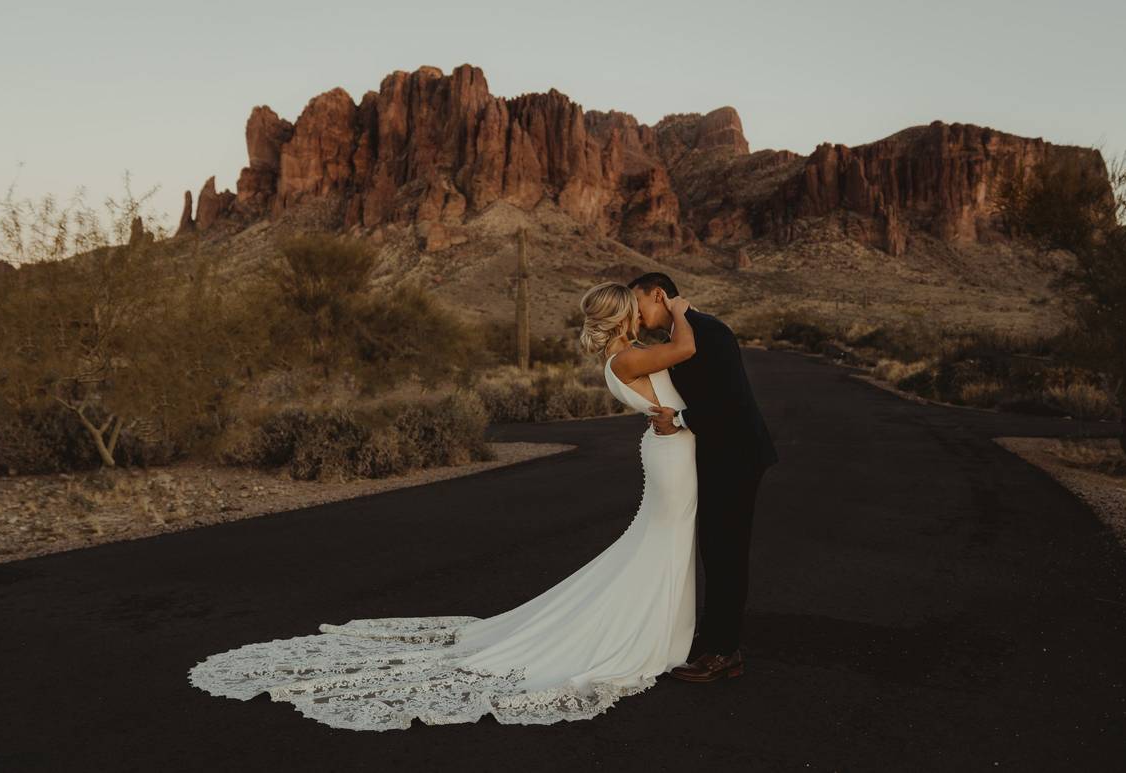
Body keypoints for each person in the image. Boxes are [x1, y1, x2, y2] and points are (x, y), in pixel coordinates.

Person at [187, 281, 702, 730]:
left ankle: (656, 631)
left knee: (658, 540)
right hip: (671, 454)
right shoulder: (627, 358)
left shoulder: (622, 357)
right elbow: (687, 346)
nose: (642, 310)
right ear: (624, 316)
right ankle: (647, 637)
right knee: (662, 541)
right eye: (635, 306)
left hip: (668, 446)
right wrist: (679, 309)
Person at [627, 271, 777, 682]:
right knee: (716, 551)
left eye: (639, 305)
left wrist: (681, 420)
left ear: (659, 295)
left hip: (738, 455)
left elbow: (729, 402)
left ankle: (725, 653)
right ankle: (714, 642)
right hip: (719, 454)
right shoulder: (683, 336)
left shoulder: (711, 332)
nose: (637, 316)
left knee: (726, 552)